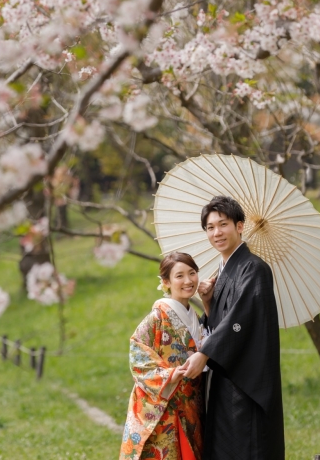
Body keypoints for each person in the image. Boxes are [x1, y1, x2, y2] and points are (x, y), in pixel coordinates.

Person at [179, 196, 285, 460]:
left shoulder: (255, 269)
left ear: (239, 226)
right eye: (210, 227)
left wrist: (205, 353)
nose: (217, 232)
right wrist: (208, 303)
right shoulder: (224, 270)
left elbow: (242, 320)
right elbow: (221, 322)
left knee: (246, 448)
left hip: (247, 383)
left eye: (223, 224)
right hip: (226, 377)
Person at [119, 252, 205, 460]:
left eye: (192, 273)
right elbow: (138, 356)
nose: (188, 281)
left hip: (191, 404)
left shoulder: (193, 316)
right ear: (166, 282)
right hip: (167, 405)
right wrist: (170, 375)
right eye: (179, 276)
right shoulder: (157, 317)